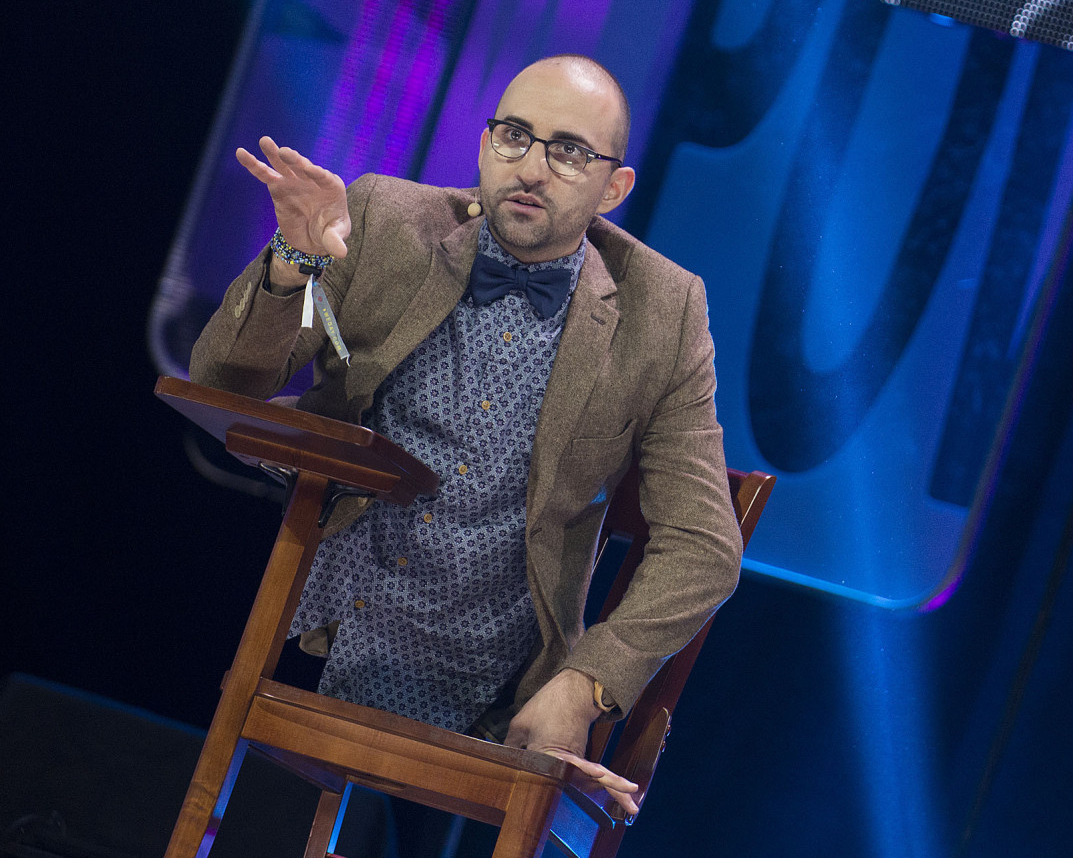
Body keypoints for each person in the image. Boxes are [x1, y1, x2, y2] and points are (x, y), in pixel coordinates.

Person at [189, 56, 742, 824]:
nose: (531, 168)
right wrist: (293, 263)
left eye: (568, 151)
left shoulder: (664, 312)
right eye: (514, 136)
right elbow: (225, 384)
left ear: (614, 187)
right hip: (317, 626)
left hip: (494, 689)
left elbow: (704, 545)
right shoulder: (382, 220)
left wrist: (585, 686)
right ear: (484, 143)